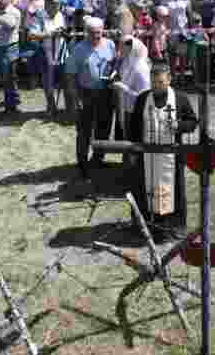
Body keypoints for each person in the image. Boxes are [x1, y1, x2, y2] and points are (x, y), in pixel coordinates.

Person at [127, 60, 198, 241]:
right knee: (144, 190)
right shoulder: (143, 99)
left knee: (173, 192)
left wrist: (178, 126)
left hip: (171, 156)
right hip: (146, 156)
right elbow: (133, 126)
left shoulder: (180, 98)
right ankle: (145, 226)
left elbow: (192, 122)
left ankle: (173, 227)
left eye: (160, 82)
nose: (156, 86)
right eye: (153, 82)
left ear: (169, 79)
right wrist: (133, 151)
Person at [68, 16, 116, 178]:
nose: (96, 36)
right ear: (86, 32)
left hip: (106, 93)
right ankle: (82, 164)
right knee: (84, 131)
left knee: (104, 127)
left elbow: (115, 64)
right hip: (86, 93)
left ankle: (98, 159)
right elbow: (70, 75)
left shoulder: (110, 44)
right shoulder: (78, 49)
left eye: (99, 32)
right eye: (92, 33)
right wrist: (76, 98)